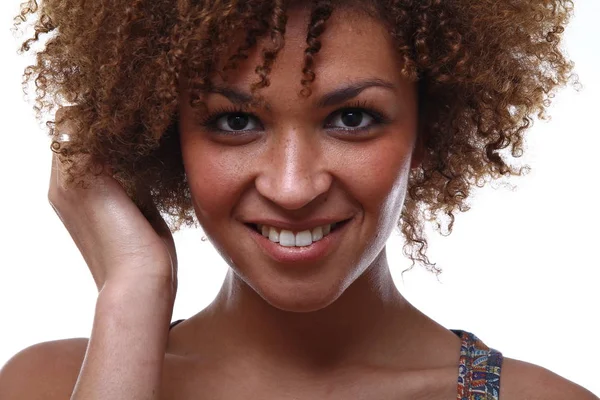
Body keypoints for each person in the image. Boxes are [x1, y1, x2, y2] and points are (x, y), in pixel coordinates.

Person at [1, 0, 597, 399]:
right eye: (235, 122)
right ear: (163, 136)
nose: (292, 188)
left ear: (430, 128)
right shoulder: (46, 385)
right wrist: (132, 292)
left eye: (352, 117)